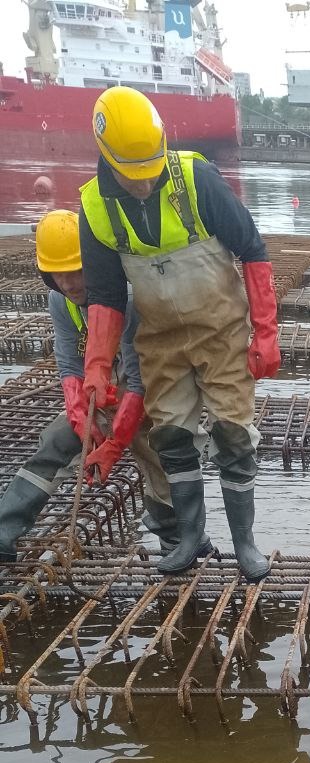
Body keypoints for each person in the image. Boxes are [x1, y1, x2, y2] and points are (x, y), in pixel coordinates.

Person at [78, 85, 281, 581]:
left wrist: (265, 333)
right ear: (108, 160)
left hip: (222, 331)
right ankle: (189, 536)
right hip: (161, 338)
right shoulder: (95, 208)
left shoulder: (196, 179)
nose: (145, 185)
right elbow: (104, 295)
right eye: (134, 177)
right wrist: (98, 364)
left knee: (233, 432)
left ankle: (244, 544)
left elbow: (252, 249)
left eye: (150, 172)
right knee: (171, 434)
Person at [0, 209, 178, 563]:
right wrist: (81, 421)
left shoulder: (128, 296)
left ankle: (178, 541)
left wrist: (113, 446)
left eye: (77, 272)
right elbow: (68, 364)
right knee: (58, 438)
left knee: (155, 447)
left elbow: (140, 382)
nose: (68, 284)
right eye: (58, 275)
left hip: (159, 375)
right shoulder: (60, 298)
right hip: (106, 376)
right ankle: (5, 530)